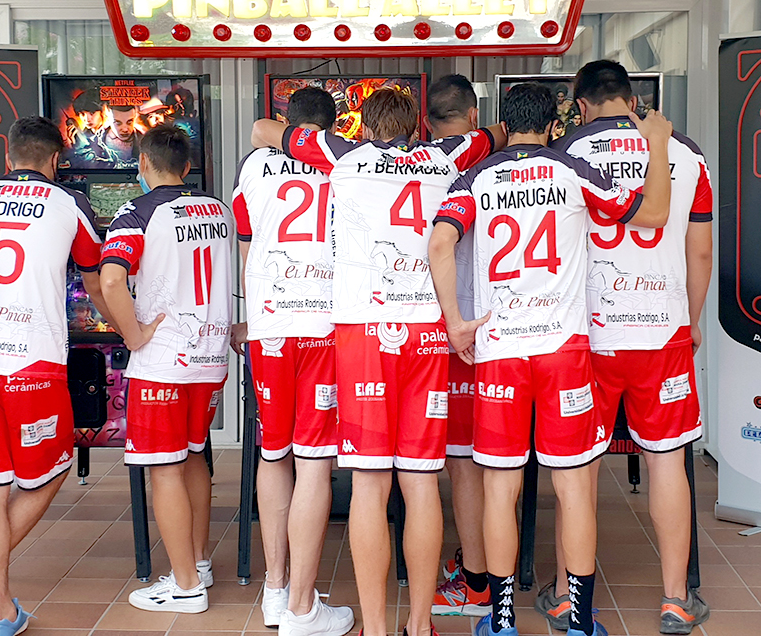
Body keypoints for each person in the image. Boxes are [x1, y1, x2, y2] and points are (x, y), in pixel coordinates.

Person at [253, 88, 503, 636]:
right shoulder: (447, 155)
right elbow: (493, 137)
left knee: (369, 483)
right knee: (420, 482)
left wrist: (336, 140)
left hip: (363, 335)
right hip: (428, 335)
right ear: (415, 128)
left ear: (363, 127)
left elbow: (262, 132)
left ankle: (375, 627)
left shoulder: (343, 156)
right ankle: (418, 625)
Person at [428, 82, 673, 636]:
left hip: (499, 354)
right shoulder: (571, 171)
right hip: (563, 351)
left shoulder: (476, 177)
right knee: (573, 485)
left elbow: (440, 244)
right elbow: (653, 214)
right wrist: (656, 144)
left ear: (503, 124)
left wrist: (454, 322)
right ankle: (582, 622)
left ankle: (503, 620)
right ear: (553, 126)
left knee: (501, 488)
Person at [542, 60, 711, 635]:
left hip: (587, 332)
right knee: (666, 462)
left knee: (577, 467)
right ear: (633, 99)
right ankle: (674, 600)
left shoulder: (565, 155)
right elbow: (701, 252)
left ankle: (567, 594)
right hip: (661, 328)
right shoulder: (686, 154)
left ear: (581, 103)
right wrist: (689, 321)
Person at [0, 116, 107, 636]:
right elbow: (95, 279)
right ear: (56, 160)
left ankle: (2, 609)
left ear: (9, 155)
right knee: (51, 469)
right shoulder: (68, 204)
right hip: (31, 361)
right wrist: (132, 327)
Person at [230, 87, 354, 635]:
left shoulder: (256, 164)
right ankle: (305, 605)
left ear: (287, 122)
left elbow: (245, 234)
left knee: (273, 454)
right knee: (314, 463)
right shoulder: (345, 160)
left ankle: (276, 591)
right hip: (325, 327)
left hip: (271, 326)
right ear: (331, 126)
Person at [100, 125, 233, 614]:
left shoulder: (138, 212)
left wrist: (133, 335)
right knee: (195, 456)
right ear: (187, 165)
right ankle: (195, 563)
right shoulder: (217, 208)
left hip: (164, 363)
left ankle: (185, 586)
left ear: (142, 163)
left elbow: (112, 279)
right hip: (209, 355)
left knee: (164, 468)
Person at [421, 76, 491, 619]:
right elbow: (496, 133)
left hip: (438, 330)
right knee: (474, 459)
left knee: (462, 462)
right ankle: (475, 571)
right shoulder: (474, 149)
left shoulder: (411, 162)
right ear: (470, 116)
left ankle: (477, 578)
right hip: (479, 325)